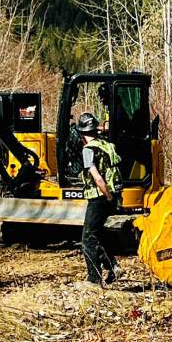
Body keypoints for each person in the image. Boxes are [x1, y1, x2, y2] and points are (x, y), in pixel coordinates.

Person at [74, 111, 123, 287]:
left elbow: (97, 177)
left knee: (88, 239)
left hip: (99, 197)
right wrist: (113, 197)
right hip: (113, 195)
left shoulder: (88, 150)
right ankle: (113, 266)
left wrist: (107, 195)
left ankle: (93, 279)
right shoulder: (106, 145)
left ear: (81, 133)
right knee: (98, 234)